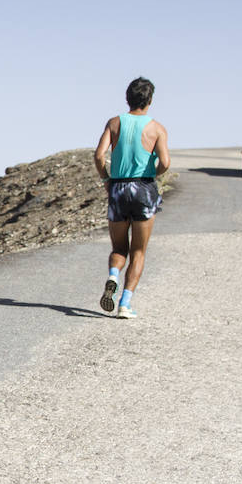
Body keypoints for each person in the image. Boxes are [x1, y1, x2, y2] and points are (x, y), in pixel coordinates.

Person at [93, 77, 170, 319]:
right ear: (150, 100)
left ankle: (113, 277)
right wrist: (151, 175)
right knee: (138, 250)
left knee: (118, 248)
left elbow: (99, 156)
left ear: (127, 97)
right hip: (143, 189)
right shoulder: (157, 129)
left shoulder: (114, 123)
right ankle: (125, 304)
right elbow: (166, 163)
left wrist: (107, 180)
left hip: (118, 188)